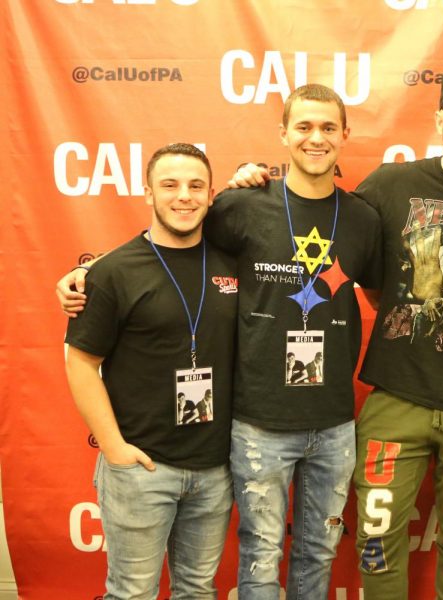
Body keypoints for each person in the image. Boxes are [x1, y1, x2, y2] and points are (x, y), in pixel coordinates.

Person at [230, 62, 443, 600]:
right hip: (396, 399)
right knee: (376, 541)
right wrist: (251, 182)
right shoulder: (389, 186)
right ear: (439, 121)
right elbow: (361, 272)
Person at [59, 85, 383, 600]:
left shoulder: (364, 218)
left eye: (327, 127)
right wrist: (88, 272)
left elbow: (389, 295)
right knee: (253, 555)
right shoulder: (242, 207)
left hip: (326, 423)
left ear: (345, 135)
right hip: (256, 424)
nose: (315, 138)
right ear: (282, 134)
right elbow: (164, 241)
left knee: (307, 554)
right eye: (303, 126)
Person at [64, 143, 237, 599]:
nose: (184, 196)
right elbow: (80, 361)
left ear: (211, 194)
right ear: (147, 193)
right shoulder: (114, 271)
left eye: (196, 185)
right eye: (170, 185)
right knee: (132, 592)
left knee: (198, 590)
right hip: (141, 467)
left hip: (214, 468)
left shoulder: (231, 263)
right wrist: (114, 447)